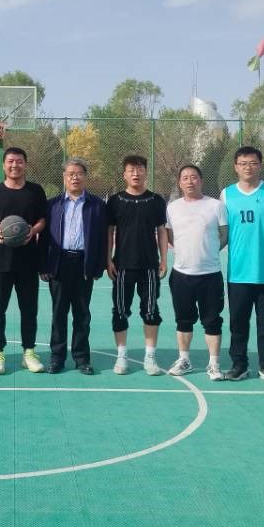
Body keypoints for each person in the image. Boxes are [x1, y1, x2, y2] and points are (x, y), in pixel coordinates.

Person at [221, 146, 264, 383]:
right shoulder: (226, 194)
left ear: (260, 165)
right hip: (238, 272)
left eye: (253, 163)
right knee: (238, 323)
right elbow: (223, 231)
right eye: (243, 163)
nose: (248, 167)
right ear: (236, 167)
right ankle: (239, 365)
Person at [0, 146, 47, 375]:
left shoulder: (35, 191)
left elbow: (43, 220)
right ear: (4, 165)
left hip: (28, 262)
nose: (14, 165)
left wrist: (33, 230)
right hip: (2, 262)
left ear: (25, 164)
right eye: (10, 161)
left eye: (19, 161)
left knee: (29, 309)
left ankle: (29, 352)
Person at [40, 158, 107, 375]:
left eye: (79, 173)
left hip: (83, 264)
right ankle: (57, 358)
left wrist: (98, 266)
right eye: (70, 174)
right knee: (59, 313)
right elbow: (44, 238)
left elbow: (102, 238)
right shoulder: (53, 205)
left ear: (85, 177)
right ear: (64, 177)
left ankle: (82, 359)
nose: (74, 177)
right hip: (59, 264)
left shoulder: (97, 205)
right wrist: (44, 265)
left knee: (82, 314)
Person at [165, 164, 228, 381]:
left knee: (212, 320)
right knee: (183, 320)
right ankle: (184, 360)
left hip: (210, 274)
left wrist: (209, 251)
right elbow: (170, 236)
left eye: (193, 177)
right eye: (185, 178)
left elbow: (224, 234)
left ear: (201, 180)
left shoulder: (216, 206)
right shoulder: (172, 208)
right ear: (179, 183)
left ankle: (214, 364)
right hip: (181, 275)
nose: (189, 181)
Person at [107, 155, 169, 376]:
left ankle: (149, 357)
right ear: (124, 174)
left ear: (145, 172)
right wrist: (108, 259)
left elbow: (161, 231)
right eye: (131, 170)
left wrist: (164, 259)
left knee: (151, 311)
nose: (136, 173)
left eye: (140, 169)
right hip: (122, 265)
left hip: (149, 266)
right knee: (120, 311)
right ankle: (121, 356)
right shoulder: (115, 201)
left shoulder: (156, 200)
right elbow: (109, 232)